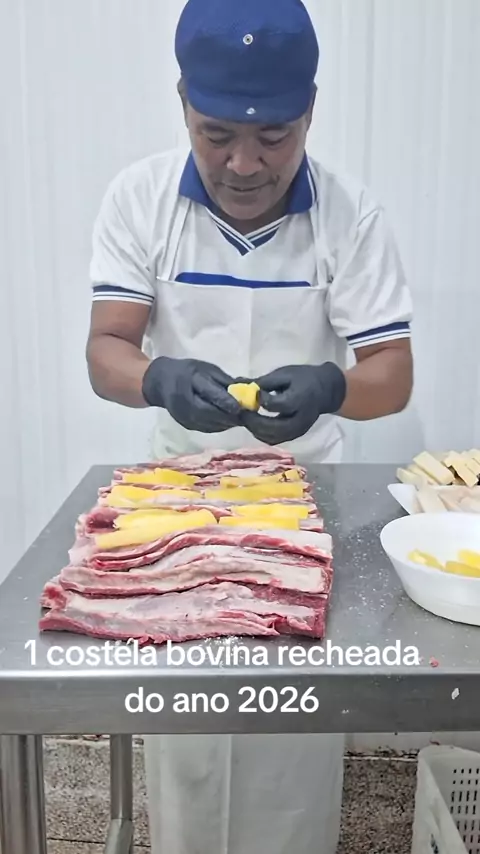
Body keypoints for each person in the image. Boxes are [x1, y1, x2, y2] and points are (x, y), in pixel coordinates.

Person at [86, 1, 414, 851]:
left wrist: (330, 389)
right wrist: (157, 377)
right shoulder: (141, 199)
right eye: (216, 134)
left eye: (273, 137)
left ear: (310, 112)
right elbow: (106, 349)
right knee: (189, 726)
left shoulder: (350, 214)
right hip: (176, 502)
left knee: (290, 730)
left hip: (301, 501)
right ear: (183, 104)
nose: (242, 163)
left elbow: (392, 374)